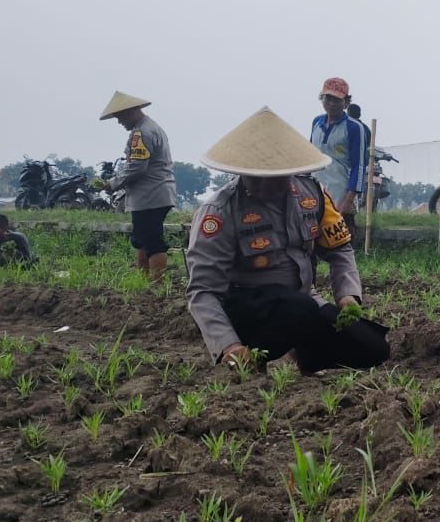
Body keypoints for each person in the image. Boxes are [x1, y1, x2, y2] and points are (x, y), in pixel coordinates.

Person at [186, 106, 389, 374]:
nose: (269, 185)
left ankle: (307, 356)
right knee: (298, 308)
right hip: (248, 307)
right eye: (259, 178)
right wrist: (228, 345)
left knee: (372, 348)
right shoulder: (220, 212)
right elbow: (203, 291)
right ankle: (250, 359)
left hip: (303, 300)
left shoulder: (313, 195)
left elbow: (340, 249)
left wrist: (348, 295)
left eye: (279, 176)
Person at [99, 91, 178, 281]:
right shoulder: (151, 128)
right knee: (141, 240)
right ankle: (143, 282)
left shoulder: (141, 132)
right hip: (155, 194)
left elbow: (137, 167)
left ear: (132, 112)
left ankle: (156, 286)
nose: (120, 122)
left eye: (120, 117)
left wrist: (113, 183)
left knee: (152, 242)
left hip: (150, 196)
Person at [310, 77, 368, 243]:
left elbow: (359, 166)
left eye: (337, 99)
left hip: (340, 192)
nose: (332, 103)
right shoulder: (316, 122)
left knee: (340, 246)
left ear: (346, 102)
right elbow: (310, 155)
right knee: (311, 244)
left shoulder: (354, 127)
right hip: (316, 191)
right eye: (328, 98)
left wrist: (348, 201)